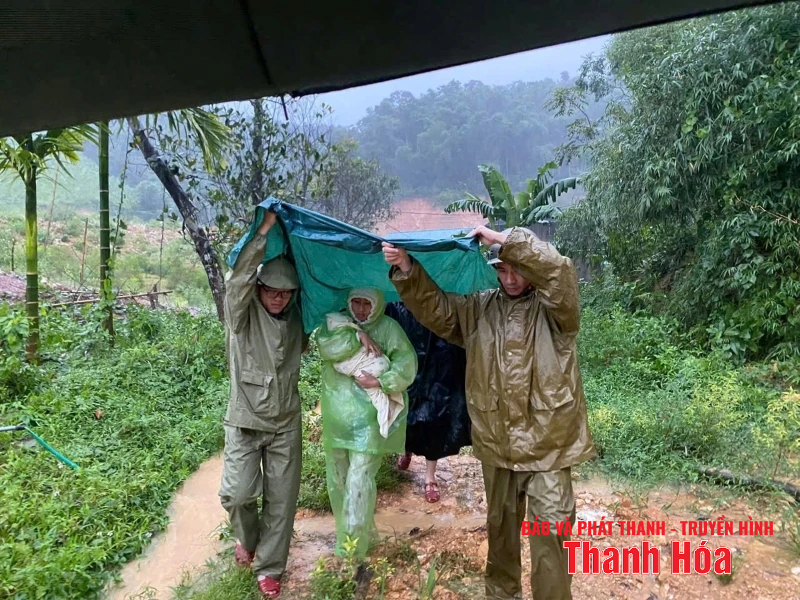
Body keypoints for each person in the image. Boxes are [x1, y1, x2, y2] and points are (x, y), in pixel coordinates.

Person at [382, 226, 596, 600]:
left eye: (517, 269)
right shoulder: (479, 308)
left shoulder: (558, 310)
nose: (510, 278)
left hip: (548, 444)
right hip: (497, 443)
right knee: (500, 532)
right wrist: (407, 268)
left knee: (551, 533)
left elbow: (559, 271)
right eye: (502, 269)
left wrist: (505, 240)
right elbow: (439, 310)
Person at [218, 210, 307, 599]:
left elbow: (338, 305)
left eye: (286, 292)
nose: (278, 297)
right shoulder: (242, 315)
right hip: (245, 420)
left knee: (282, 501)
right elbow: (236, 279)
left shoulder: (299, 318)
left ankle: (270, 567)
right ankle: (247, 538)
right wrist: (265, 232)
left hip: (286, 422)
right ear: (258, 289)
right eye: (271, 289)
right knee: (236, 495)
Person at [316, 288, 417, 560]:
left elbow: (407, 365)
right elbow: (326, 346)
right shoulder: (334, 326)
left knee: (359, 481)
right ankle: (363, 535)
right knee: (338, 479)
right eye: (356, 302)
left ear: (377, 305)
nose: (361, 309)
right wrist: (356, 333)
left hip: (369, 422)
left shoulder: (388, 328)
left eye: (366, 304)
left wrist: (380, 381)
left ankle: (350, 551)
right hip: (337, 419)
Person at [384, 301, 472, 503]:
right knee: (403, 411)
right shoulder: (397, 303)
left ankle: (430, 477)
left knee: (434, 420)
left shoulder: (444, 297)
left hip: (439, 364)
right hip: (407, 363)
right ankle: (405, 449)